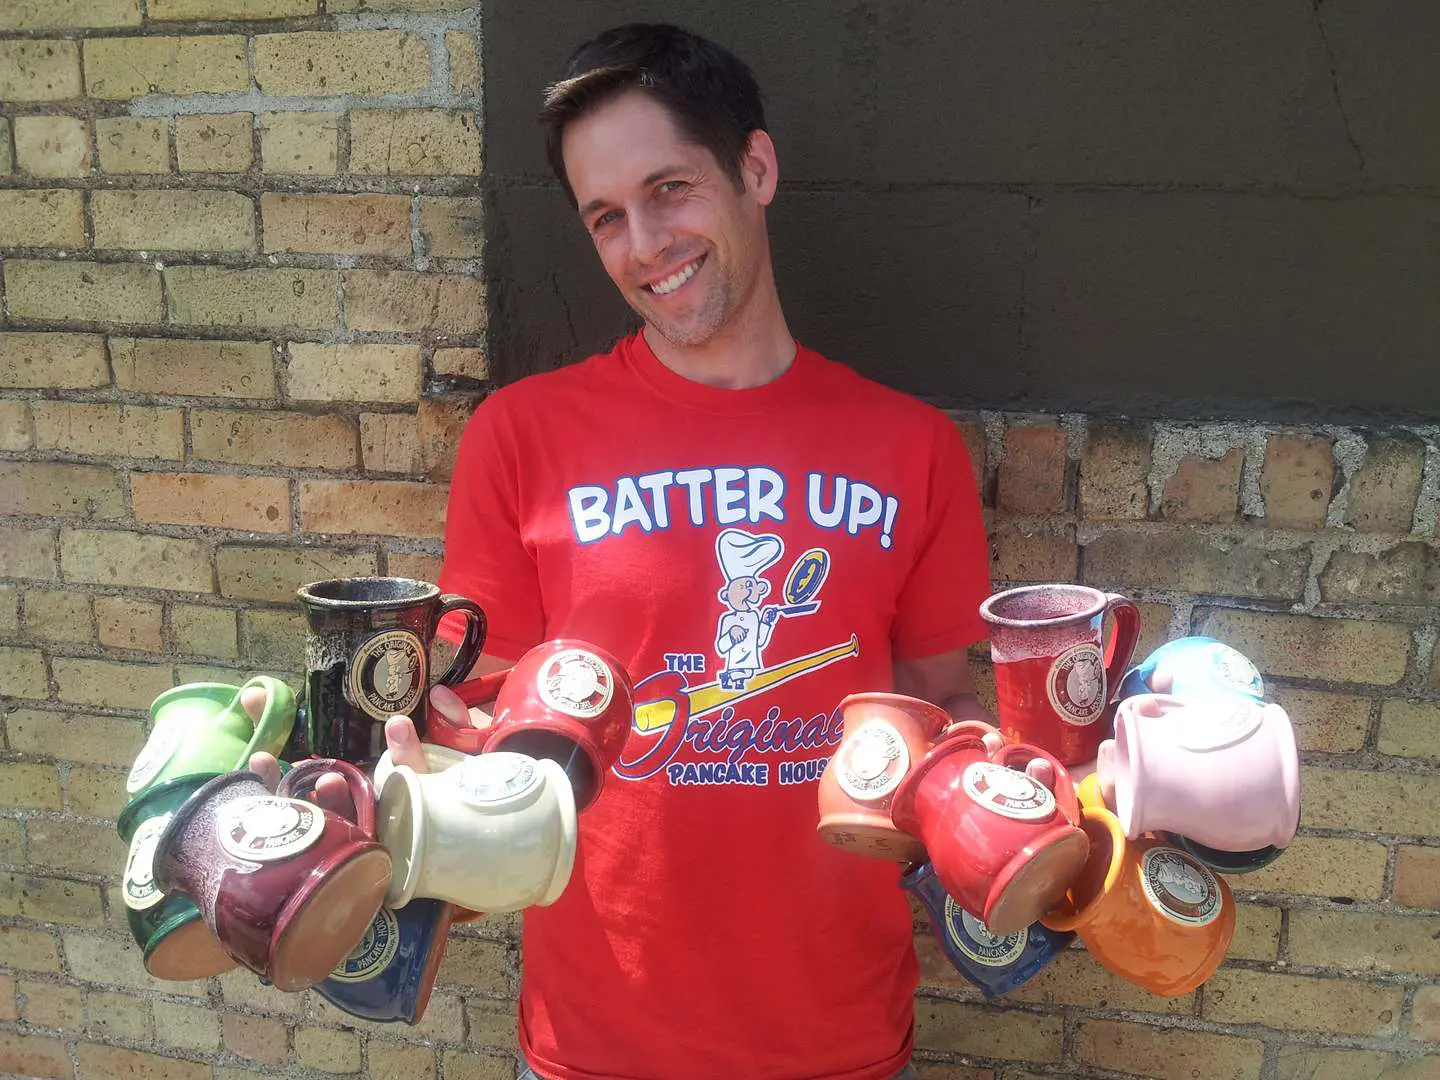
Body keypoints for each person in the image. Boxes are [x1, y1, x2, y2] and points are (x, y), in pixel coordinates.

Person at [255, 23, 995, 1080]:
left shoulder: (912, 448)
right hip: (594, 1046)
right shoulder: (522, 438)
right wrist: (361, 796)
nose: (646, 244)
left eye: (672, 190)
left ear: (756, 167)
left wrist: (1033, 790)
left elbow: (937, 708)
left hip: (838, 1041)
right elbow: (485, 730)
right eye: (608, 217)